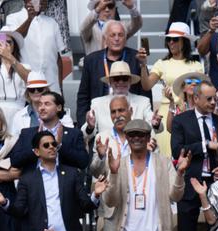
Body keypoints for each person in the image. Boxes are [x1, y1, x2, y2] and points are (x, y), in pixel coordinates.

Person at [0, 130, 107, 231]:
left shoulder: (72, 174)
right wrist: (4, 202)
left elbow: (86, 205)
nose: (51, 147)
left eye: (54, 144)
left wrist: (96, 194)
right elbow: (19, 210)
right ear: (36, 151)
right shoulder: (27, 179)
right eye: (46, 145)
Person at [98, 118, 185, 231]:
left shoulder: (163, 162)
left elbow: (175, 196)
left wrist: (179, 174)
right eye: (132, 135)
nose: (136, 138)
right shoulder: (118, 164)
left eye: (141, 134)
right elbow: (110, 201)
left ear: (148, 137)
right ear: (126, 137)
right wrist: (114, 174)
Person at [171, 81, 218, 231]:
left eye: (215, 98)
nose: (214, 102)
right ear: (195, 98)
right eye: (209, 99)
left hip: (217, 186)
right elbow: (177, 150)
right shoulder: (181, 121)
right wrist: (204, 145)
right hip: (190, 184)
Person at [144, 22, 202, 156]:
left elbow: (199, 92)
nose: (171, 42)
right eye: (168, 39)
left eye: (175, 39)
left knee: (186, 155)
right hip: (166, 113)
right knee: (165, 156)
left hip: (188, 111)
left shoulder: (196, 65)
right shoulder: (161, 63)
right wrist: (143, 65)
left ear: (185, 41)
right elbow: (146, 85)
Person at [76, 20, 144, 127]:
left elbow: (144, 91)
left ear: (125, 38)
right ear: (105, 39)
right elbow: (83, 96)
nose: (116, 39)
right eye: (112, 35)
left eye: (120, 35)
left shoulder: (136, 58)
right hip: (100, 119)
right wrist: (84, 125)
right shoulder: (91, 60)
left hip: (131, 120)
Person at [9, 91, 89, 172]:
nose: (41, 108)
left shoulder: (74, 134)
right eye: (40, 104)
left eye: (47, 104)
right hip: (34, 183)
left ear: (59, 108)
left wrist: (59, 146)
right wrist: (36, 146)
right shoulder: (27, 133)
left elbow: (83, 162)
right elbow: (15, 161)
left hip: (64, 182)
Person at [82, 60, 159, 141]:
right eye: (116, 79)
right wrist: (90, 127)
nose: (121, 82)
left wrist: (155, 124)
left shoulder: (143, 102)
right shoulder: (97, 103)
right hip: (108, 150)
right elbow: (85, 135)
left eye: (125, 78)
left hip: (135, 150)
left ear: (130, 81)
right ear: (110, 82)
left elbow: (153, 126)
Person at [3, 0, 63, 93]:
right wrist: (29, 19)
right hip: (26, 87)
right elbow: (13, 42)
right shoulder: (13, 18)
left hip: (52, 87)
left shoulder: (52, 22)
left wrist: (60, 88)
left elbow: (58, 58)